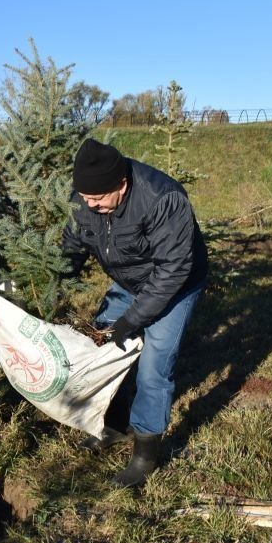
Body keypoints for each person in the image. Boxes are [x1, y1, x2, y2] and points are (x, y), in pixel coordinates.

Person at [62, 138, 208, 488]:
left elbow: (173, 270)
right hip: (128, 281)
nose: (89, 205)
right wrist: (58, 275)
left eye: (97, 200)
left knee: (155, 365)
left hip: (177, 283)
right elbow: (74, 239)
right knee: (103, 347)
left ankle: (145, 455)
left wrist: (132, 320)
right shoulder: (86, 196)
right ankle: (114, 424)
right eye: (84, 198)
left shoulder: (162, 198)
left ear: (122, 185)